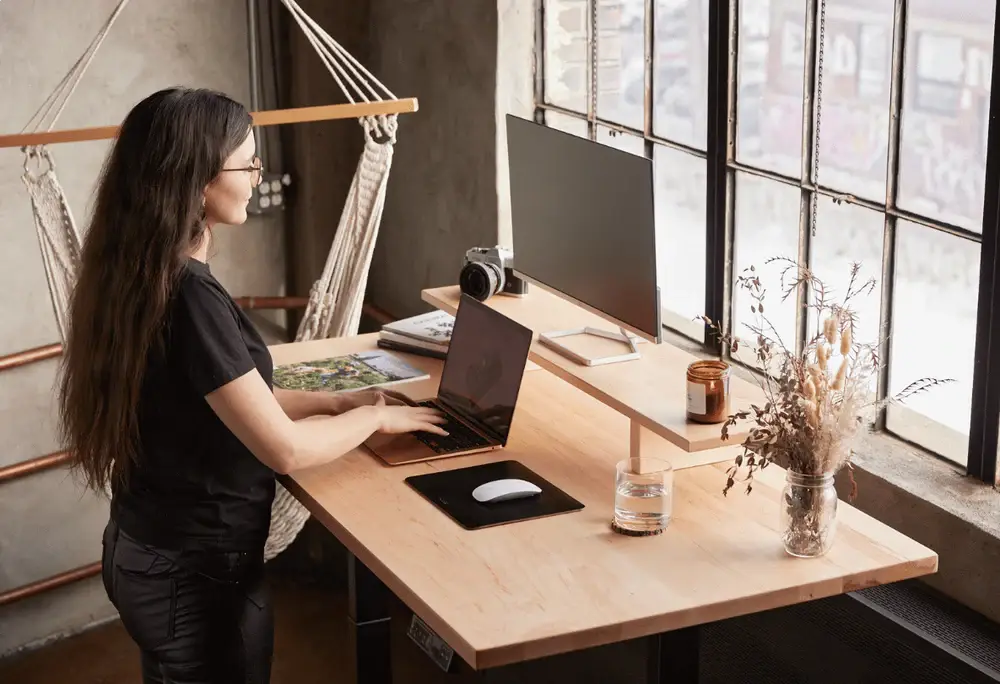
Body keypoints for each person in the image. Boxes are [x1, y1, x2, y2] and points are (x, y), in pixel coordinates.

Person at [56, 87, 447, 684]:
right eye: (248, 165)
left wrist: (337, 401)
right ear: (197, 181)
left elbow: (227, 397)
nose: (257, 177)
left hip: (144, 552)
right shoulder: (189, 296)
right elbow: (283, 449)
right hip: (194, 579)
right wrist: (374, 418)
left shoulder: (138, 271)